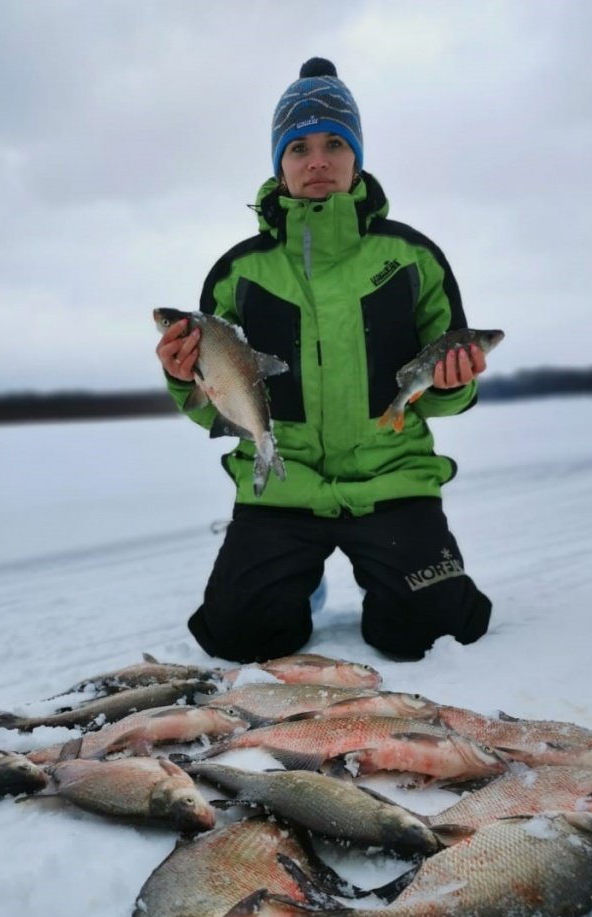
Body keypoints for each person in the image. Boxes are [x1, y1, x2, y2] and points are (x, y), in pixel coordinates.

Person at [155, 57, 492, 664]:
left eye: (335, 142)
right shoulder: (238, 273)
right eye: (299, 147)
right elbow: (221, 411)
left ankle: (388, 578)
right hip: (282, 491)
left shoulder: (413, 258)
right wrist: (185, 380)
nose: (317, 160)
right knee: (239, 638)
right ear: (279, 163)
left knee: (434, 633)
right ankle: (300, 582)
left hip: (394, 481)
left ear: (356, 156)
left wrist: (454, 383)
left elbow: (446, 393)